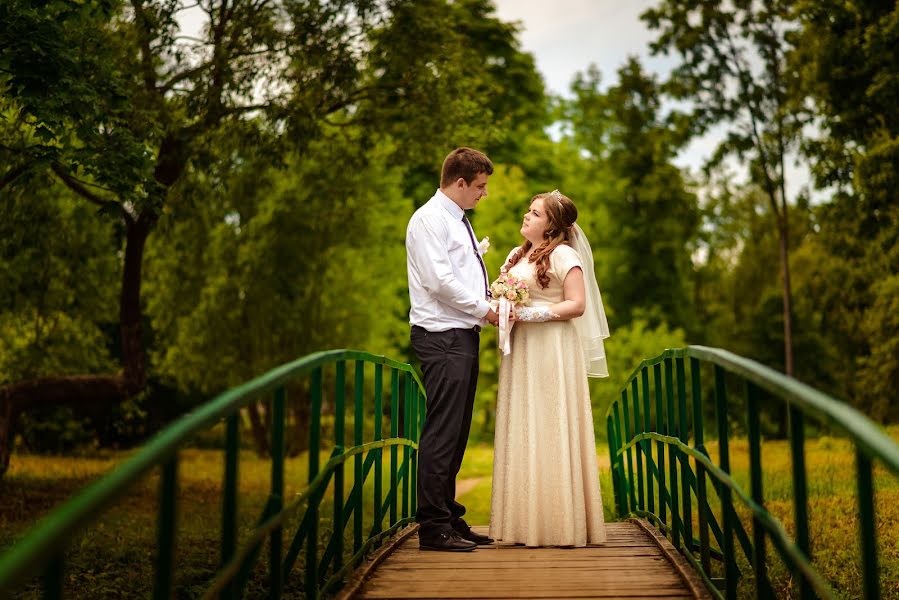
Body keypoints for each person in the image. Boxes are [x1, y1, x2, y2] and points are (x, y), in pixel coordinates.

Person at [489, 189, 610, 547]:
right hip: (521, 349)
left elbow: (577, 305)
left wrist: (526, 313)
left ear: (552, 225)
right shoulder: (516, 255)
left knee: (552, 423)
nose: (527, 216)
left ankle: (563, 524)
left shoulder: (564, 255)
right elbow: (503, 297)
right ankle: (523, 524)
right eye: (528, 210)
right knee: (524, 425)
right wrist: (500, 310)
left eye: (536, 213)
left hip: (554, 348)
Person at [406, 147, 500, 552]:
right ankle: (433, 529)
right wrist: (486, 309)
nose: (484, 194)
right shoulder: (429, 220)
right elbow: (439, 282)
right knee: (442, 432)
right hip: (441, 336)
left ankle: (449, 516)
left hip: (461, 334)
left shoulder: (456, 219)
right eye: (479, 187)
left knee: (457, 431)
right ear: (459, 183)